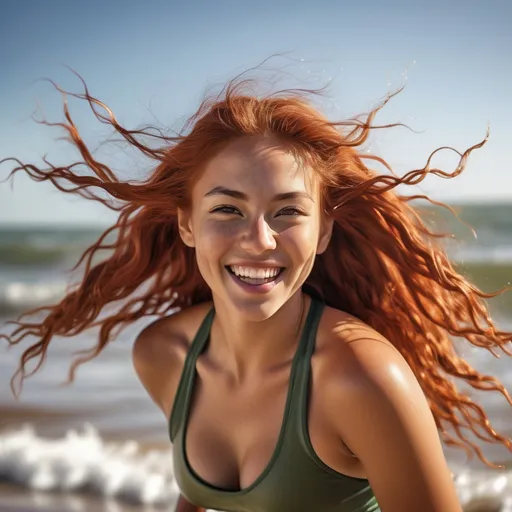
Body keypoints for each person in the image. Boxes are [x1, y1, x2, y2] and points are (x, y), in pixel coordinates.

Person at [2, 70, 511, 512]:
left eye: (288, 211)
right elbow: (203, 496)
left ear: (325, 231)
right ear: (186, 224)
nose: (260, 240)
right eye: (227, 209)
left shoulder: (363, 378)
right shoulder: (163, 356)